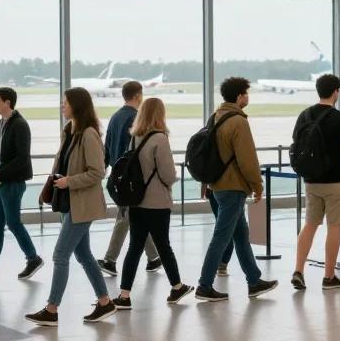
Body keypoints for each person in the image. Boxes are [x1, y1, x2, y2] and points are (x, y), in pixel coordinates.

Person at [26, 88, 115, 326]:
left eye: (65, 103)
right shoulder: (69, 132)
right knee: (83, 254)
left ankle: (52, 309)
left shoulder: (88, 135)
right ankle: (105, 302)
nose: (61, 106)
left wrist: (69, 181)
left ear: (76, 105)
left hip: (82, 204)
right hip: (69, 203)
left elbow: (98, 172)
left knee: (60, 254)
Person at [195, 77, 278, 301]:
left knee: (241, 236)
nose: (248, 97)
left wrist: (205, 183)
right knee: (221, 237)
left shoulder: (215, 117)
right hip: (233, 187)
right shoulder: (238, 122)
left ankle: (254, 281)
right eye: (246, 93)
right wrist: (257, 185)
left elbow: (209, 152)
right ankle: (204, 285)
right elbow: (248, 159)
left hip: (218, 185)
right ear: (240, 96)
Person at [111, 98, 194, 309]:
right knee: (163, 246)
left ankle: (124, 295)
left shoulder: (135, 138)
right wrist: (170, 181)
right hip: (157, 202)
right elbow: (168, 174)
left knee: (134, 247)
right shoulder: (160, 139)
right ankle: (176, 287)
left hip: (136, 202)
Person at [291, 74, 340, 290]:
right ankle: (329, 276)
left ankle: (298, 270)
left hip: (311, 180)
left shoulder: (304, 115)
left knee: (309, 225)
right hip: (335, 182)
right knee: (334, 228)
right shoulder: (339, 118)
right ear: (335, 91)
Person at [97, 81, 160, 277]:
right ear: (138, 95)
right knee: (129, 216)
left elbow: (107, 147)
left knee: (129, 216)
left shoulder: (115, 117)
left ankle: (116, 259)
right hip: (130, 178)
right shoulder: (135, 118)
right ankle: (150, 258)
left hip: (118, 177)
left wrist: (105, 169)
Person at [0, 87, 44, 281]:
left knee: (12, 222)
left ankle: (33, 258)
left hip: (12, 183)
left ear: (7, 103)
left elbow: (22, 158)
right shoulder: (2, 124)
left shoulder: (19, 125)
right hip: (1, 182)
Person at [204, 185, 233, 276]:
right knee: (228, 229)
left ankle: (218, 267)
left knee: (223, 228)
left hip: (213, 190)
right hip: (230, 191)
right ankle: (222, 265)